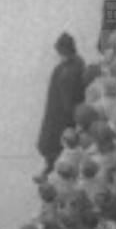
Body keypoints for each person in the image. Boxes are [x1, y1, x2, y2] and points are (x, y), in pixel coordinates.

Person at [37, 32, 86, 177]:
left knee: (53, 143)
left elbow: (67, 102)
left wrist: (69, 117)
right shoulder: (78, 63)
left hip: (59, 114)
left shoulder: (65, 72)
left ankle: (52, 169)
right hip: (64, 110)